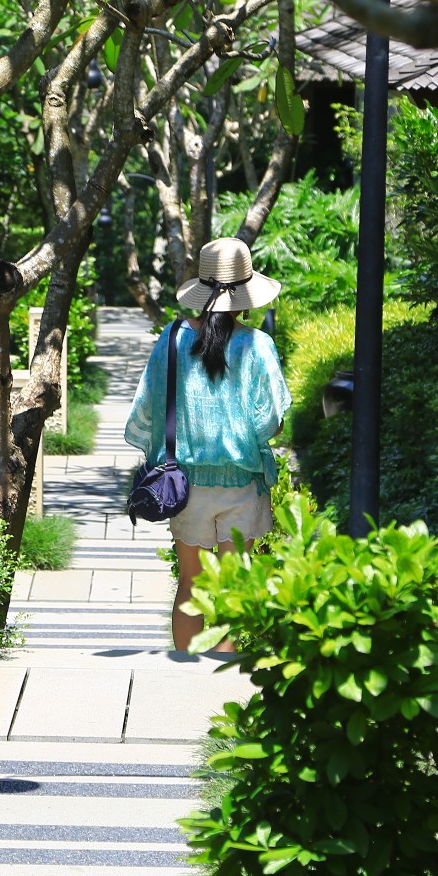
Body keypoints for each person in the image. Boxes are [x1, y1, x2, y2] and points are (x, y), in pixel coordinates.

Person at [125, 237, 291, 652]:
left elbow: (146, 407)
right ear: (245, 294)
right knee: (232, 590)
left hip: (186, 485)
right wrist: (242, 437)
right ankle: (219, 688)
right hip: (242, 482)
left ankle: (184, 673)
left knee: (190, 585)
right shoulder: (257, 345)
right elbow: (271, 419)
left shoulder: (174, 337)